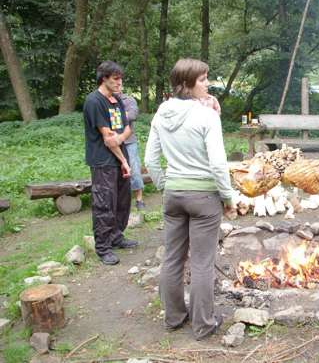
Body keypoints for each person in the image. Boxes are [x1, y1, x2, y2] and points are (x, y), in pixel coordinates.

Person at [145, 58, 236, 340]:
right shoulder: (206, 116)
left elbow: (150, 160)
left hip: (173, 194)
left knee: (172, 258)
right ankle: (203, 324)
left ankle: (173, 318)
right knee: (201, 262)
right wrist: (228, 196)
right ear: (185, 84)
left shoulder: (162, 112)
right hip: (204, 198)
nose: (207, 84)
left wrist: (165, 186)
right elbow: (218, 165)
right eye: (202, 79)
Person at [83, 61, 139, 266]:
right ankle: (103, 248)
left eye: (120, 78)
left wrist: (120, 139)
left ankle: (116, 236)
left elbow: (127, 129)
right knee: (104, 204)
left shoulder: (116, 100)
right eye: (115, 78)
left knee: (122, 201)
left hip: (119, 157)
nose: (119, 82)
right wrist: (124, 158)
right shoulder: (94, 101)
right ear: (104, 78)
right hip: (103, 160)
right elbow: (107, 139)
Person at [120, 93, 145, 210]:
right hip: (111, 142)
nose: (117, 84)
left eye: (119, 82)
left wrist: (113, 115)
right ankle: (121, 202)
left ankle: (139, 200)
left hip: (129, 141)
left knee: (134, 170)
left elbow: (133, 115)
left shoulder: (128, 99)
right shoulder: (104, 99)